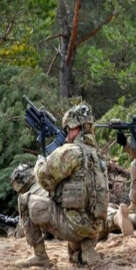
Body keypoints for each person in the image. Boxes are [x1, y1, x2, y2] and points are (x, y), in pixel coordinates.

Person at [15, 104, 109, 267]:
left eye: (68, 130)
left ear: (75, 128)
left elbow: (44, 179)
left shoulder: (71, 151)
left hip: (75, 226)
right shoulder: (96, 155)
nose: (66, 134)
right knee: (74, 257)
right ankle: (85, 248)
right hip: (95, 227)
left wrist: (40, 161)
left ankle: (40, 256)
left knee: (24, 200)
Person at [11, 164, 136, 242]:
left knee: (103, 225)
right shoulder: (49, 181)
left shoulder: (28, 198)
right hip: (89, 206)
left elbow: (26, 231)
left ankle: (117, 220)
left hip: (70, 226)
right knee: (124, 215)